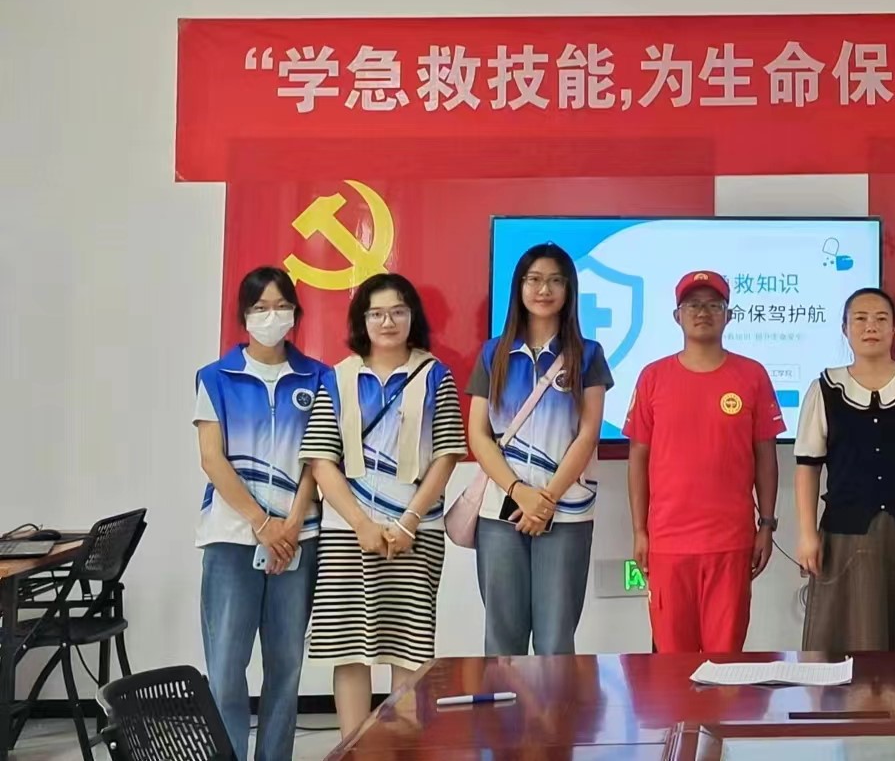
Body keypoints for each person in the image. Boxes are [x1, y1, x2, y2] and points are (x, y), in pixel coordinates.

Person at [299, 273, 467, 738]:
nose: (387, 321)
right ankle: (352, 747)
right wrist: (361, 524)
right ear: (362, 320)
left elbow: (447, 454)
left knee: (409, 649)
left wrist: (409, 521)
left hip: (415, 534)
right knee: (349, 650)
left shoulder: (436, 375)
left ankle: (402, 748)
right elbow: (321, 460)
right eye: (376, 313)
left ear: (412, 317)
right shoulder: (337, 378)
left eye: (397, 311)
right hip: (346, 535)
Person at [193, 267, 329, 761]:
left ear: (295, 313)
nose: (272, 317)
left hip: (299, 537)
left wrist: (290, 524)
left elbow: (319, 459)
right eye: (260, 308)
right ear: (244, 315)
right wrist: (261, 522)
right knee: (227, 667)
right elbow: (212, 459)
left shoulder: (319, 377)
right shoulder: (216, 377)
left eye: (281, 306)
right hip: (232, 537)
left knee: (285, 666)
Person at [624, 271, 783, 653]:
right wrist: (640, 531)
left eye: (714, 305)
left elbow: (766, 456)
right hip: (668, 542)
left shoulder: (752, 375)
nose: (703, 312)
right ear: (676, 316)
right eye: (693, 304)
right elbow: (638, 458)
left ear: (729, 315)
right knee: (671, 660)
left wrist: (766, 524)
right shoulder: (653, 377)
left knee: (726, 659)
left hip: (730, 541)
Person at [795, 287, 895, 652]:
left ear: (893, 328)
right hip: (844, 531)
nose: (870, 326)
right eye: (860, 319)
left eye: (880, 318)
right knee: (846, 638)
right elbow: (807, 468)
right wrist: (807, 534)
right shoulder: (823, 389)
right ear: (845, 329)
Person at [467, 244, 613, 656]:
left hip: (566, 511)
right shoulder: (494, 352)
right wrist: (520, 493)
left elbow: (588, 434)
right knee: (503, 641)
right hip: (500, 510)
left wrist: (545, 500)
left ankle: (556, 706)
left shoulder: (588, 355)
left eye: (554, 280)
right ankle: (504, 705)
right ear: (519, 287)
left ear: (568, 289)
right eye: (533, 279)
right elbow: (478, 434)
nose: (543, 289)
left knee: (555, 641)